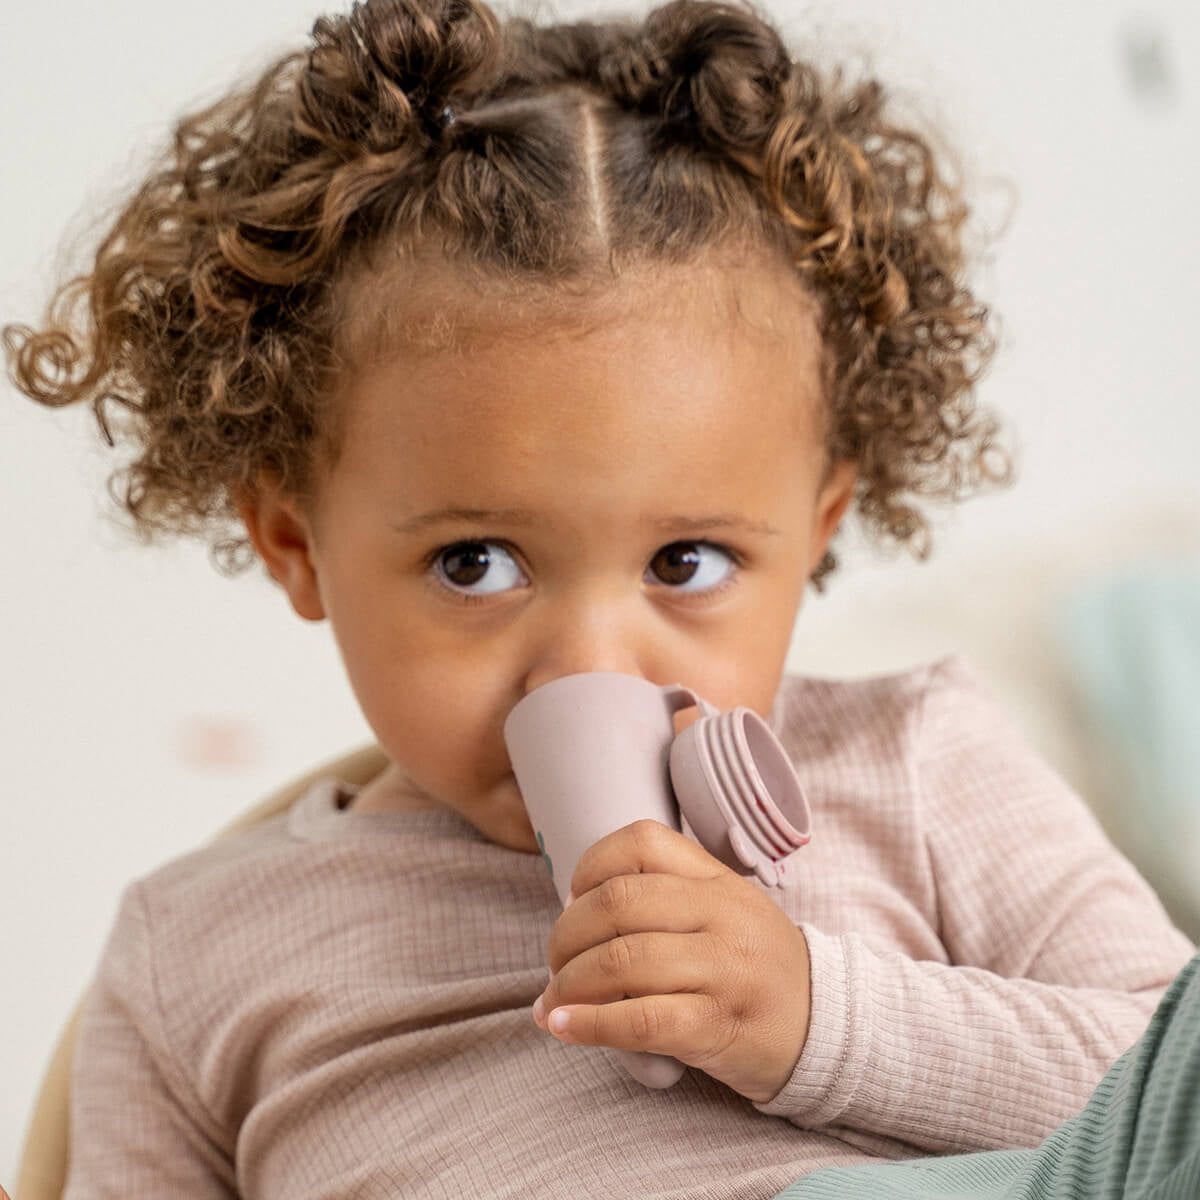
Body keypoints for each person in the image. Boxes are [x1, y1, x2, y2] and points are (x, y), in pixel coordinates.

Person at [5, 0, 1193, 1196]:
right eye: (476, 563)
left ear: (818, 528)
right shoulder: (191, 953)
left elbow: (1167, 1100)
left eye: (685, 563)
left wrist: (818, 1016)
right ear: (293, 541)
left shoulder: (917, 765)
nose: (590, 668)